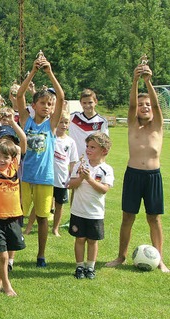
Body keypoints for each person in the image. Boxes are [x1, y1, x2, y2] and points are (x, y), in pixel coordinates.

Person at [106, 63, 168, 272]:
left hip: (153, 177)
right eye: (142, 105)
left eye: (148, 104)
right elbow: (131, 106)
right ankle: (121, 257)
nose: (145, 107)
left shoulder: (158, 126)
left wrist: (148, 82)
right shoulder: (133, 125)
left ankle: (160, 260)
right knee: (127, 217)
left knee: (154, 218)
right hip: (133, 175)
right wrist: (135, 81)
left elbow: (158, 107)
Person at [16, 54, 65, 267]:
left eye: (49, 104)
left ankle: (41, 255)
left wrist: (49, 72)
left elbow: (62, 97)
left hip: (45, 178)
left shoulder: (51, 125)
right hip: (25, 176)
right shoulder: (26, 120)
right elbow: (19, 95)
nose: (47, 106)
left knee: (44, 218)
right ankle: (12, 254)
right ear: (34, 105)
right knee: (18, 215)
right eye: (43, 103)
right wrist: (33, 71)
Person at [0, 110, 27, 296]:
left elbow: (22, 143)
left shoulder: (14, 165)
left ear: (12, 159)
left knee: (8, 254)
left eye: (5, 157)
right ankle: (6, 285)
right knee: (1, 254)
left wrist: (12, 123)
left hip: (14, 216)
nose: (1, 160)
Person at [68, 133, 113, 279]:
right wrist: (81, 177)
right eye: (87, 146)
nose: (88, 149)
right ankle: (79, 266)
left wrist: (89, 179)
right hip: (78, 211)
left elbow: (104, 189)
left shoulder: (106, 169)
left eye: (92, 147)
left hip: (95, 213)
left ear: (104, 150)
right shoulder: (80, 166)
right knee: (80, 239)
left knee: (93, 240)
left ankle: (90, 267)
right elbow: (71, 185)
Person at [52, 113, 79, 236]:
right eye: (61, 122)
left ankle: (55, 228)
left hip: (62, 179)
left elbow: (73, 161)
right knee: (41, 204)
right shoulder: (50, 137)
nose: (63, 125)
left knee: (59, 205)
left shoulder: (70, 142)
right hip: (47, 178)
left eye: (66, 122)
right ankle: (30, 226)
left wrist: (71, 177)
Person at [69, 89, 109, 156]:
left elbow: (105, 143)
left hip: (93, 160)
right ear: (80, 103)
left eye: (90, 102)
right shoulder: (73, 117)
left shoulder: (101, 121)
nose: (87, 105)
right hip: (75, 159)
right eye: (84, 103)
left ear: (95, 102)